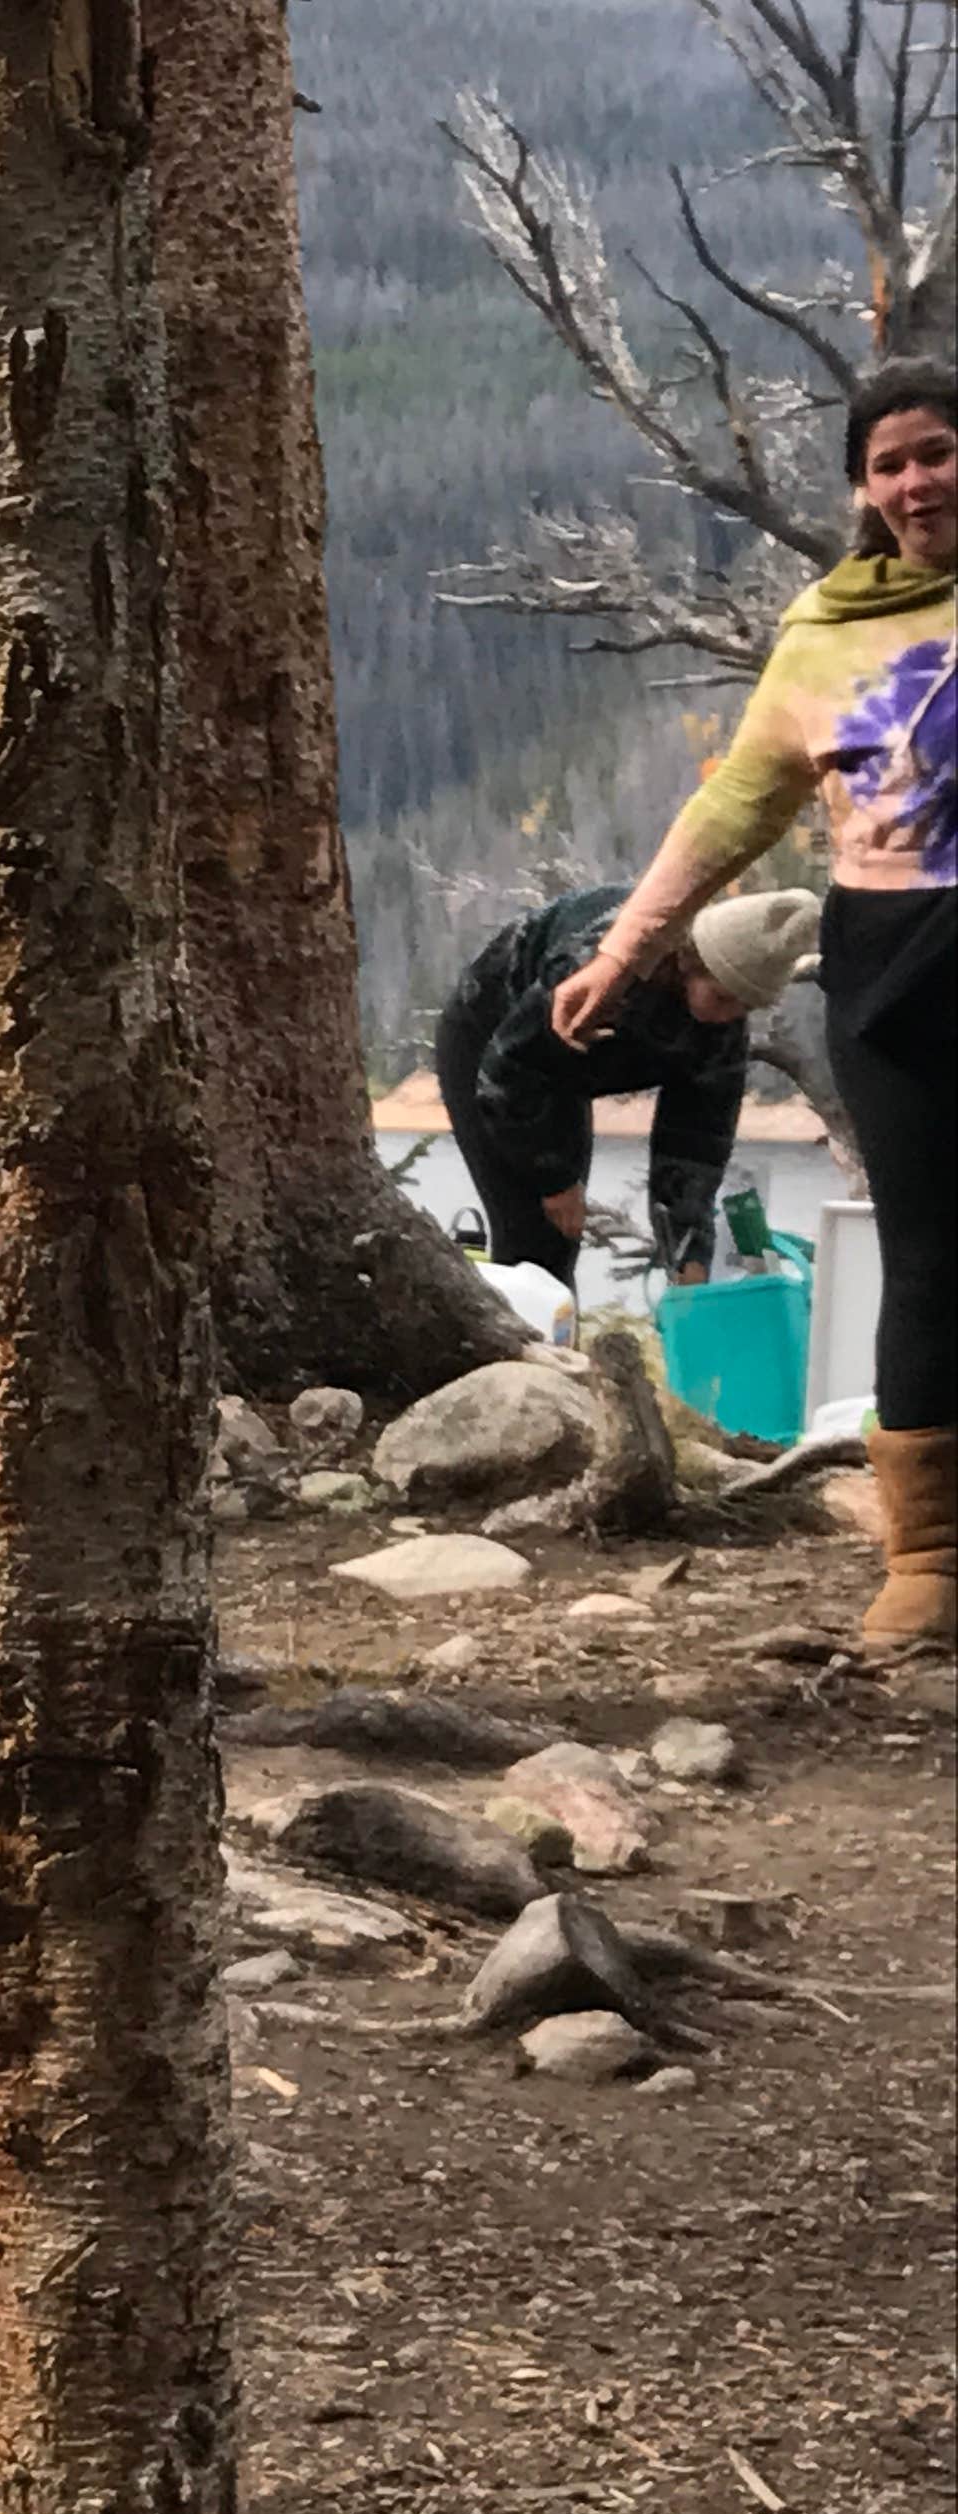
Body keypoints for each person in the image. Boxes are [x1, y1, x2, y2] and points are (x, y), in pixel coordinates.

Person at [551, 357, 957, 1649]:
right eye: (889, 461)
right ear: (860, 488)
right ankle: (933, 1558)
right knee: (933, 1252)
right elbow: (732, 808)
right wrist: (624, 953)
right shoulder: (825, 633)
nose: (916, 479)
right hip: (893, 970)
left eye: (937, 450)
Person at [432, 881, 820, 1283]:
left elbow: (695, 1146)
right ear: (688, 962)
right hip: (489, 1041)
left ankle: (550, 1341)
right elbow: (509, 1076)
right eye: (722, 998)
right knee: (533, 1233)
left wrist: (687, 1258)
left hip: (562, 1070)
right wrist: (555, 1180)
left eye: (745, 1007)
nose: (729, 1016)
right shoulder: (599, 971)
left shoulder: (721, 1035)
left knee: (561, 1246)